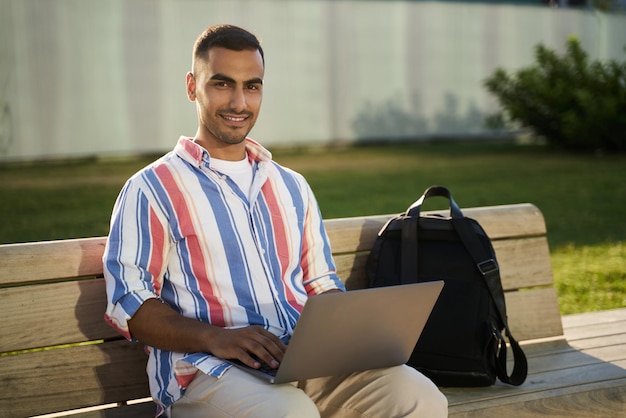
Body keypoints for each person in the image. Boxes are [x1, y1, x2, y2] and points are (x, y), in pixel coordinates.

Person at [103, 24, 448, 418]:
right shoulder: (152, 188)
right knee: (290, 413)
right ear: (191, 86)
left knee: (420, 396)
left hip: (306, 365)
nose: (239, 102)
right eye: (222, 84)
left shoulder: (291, 185)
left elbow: (321, 285)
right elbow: (129, 303)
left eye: (252, 86)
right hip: (206, 372)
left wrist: (350, 334)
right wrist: (217, 338)